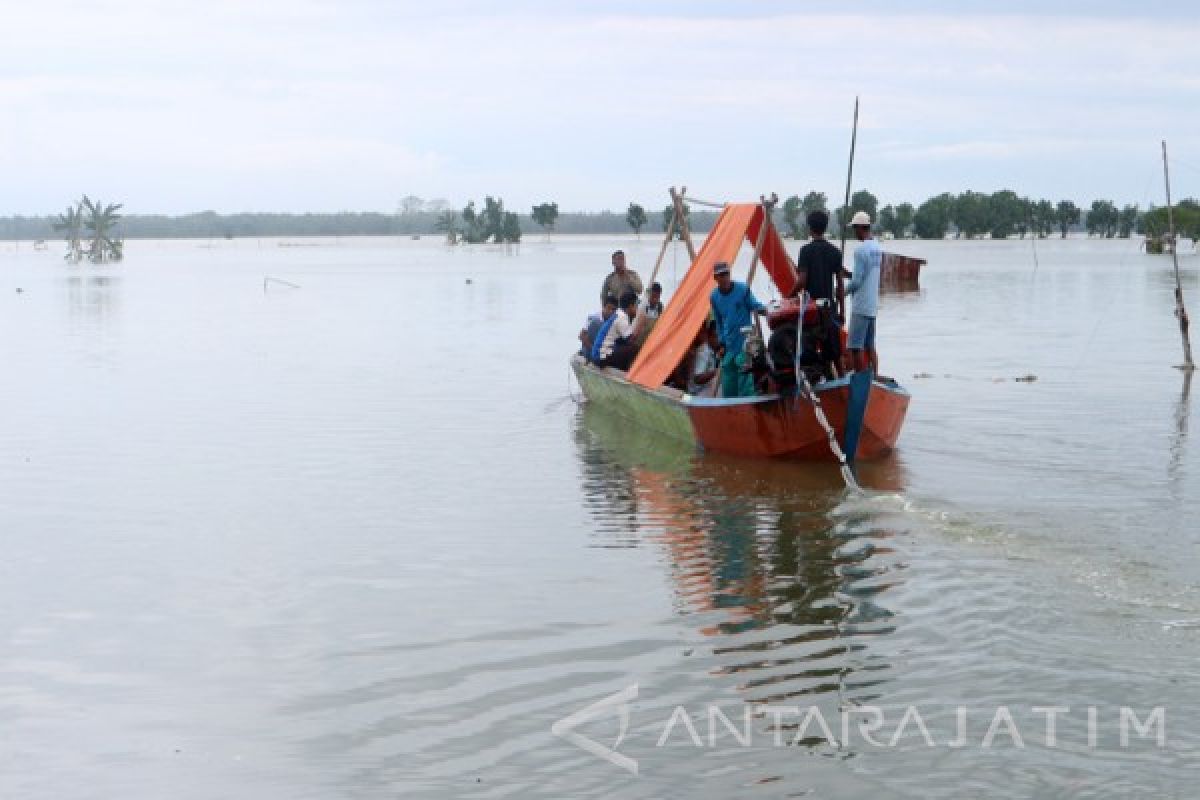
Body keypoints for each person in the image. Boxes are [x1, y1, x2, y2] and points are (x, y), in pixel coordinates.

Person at [709, 261, 766, 398]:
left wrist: (770, 311)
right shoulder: (714, 296)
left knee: (746, 381)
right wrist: (721, 342)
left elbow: (756, 306)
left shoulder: (743, 289)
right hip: (728, 345)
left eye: (726, 274)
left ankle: (750, 407)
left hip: (744, 344)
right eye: (721, 275)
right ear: (715, 278)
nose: (724, 278)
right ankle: (730, 410)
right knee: (728, 382)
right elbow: (719, 321)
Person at [844, 210, 883, 375]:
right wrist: (847, 274)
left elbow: (856, 282)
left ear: (861, 228)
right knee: (870, 345)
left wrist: (841, 293)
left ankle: (861, 378)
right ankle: (874, 375)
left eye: (855, 229)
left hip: (860, 306)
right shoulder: (878, 248)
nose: (854, 232)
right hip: (872, 305)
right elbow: (865, 275)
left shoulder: (860, 251)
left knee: (855, 347)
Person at [795, 209, 845, 319]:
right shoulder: (836, 252)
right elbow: (840, 285)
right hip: (829, 309)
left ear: (810, 228)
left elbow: (802, 281)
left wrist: (788, 296)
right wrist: (842, 312)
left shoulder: (805, 250)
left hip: (811, 309)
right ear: (825, 228)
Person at [594, 291, 640, 370]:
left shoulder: (619, 314)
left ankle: (624, 369)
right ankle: (630, 373)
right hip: (601, 356)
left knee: (626, 347)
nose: (637, 309)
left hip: (600, 355)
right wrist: (641, 324)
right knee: (634, 349)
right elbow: (631, 340)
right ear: (630, 306)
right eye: (636, 306)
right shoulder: (622, 317)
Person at [688, 320, 720, 397]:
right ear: (709, 336)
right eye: (716, 337)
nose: (719, 340)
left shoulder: (714, 350)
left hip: (705, 390)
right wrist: (717, 371)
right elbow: (697, 379)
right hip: (696, 393)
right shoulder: (704, 351)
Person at [631, 282, 664, 346]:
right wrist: (632, 340)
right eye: (653, 296)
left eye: (657, 297)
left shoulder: (660, 307)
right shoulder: (642, 305)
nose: (655, 300)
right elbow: (638, 326)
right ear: (649, 294)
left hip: (651, 338)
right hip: (638, 336)